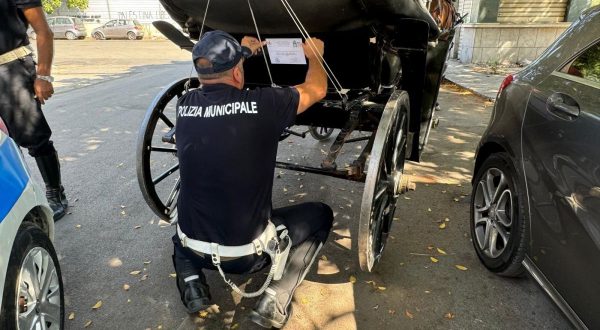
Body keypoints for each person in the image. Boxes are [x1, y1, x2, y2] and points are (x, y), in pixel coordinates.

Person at [173, 30, 333, 329]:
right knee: (321, 214)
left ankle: (193, 284)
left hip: (192, 246)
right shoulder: (265, 104)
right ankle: (275, 298)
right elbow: (317, 88)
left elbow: (217, 82)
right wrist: (315, 57)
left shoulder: (185, 105)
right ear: (237, 72)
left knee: (180, 232)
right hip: (246, 257)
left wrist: (243, 53)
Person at [0, 0, 68, 220]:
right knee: (3, 144)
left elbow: (43, 32)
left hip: (12, 69)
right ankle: (18, 200)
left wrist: (44, 76)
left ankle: (55, 193)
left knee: (33, 137)